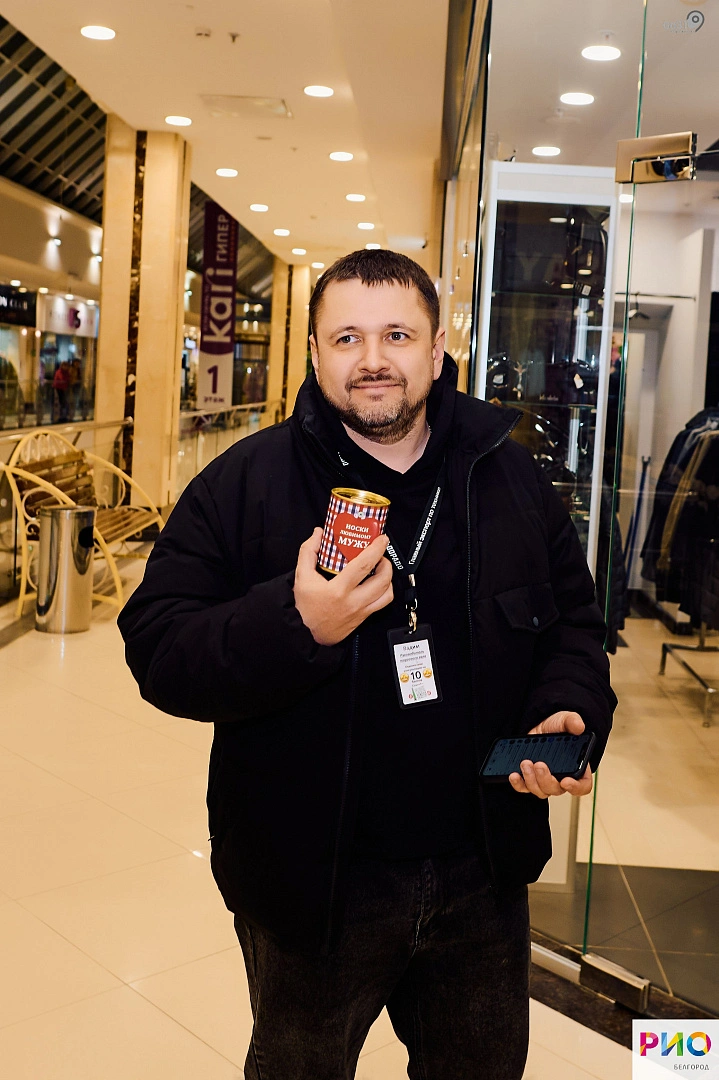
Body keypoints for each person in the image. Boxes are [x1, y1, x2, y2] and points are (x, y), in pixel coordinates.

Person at [119, 249, 615, 1080]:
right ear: (314, 353)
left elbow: (572, 624)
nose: (372, 359)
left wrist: (568, 704)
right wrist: (296, 622)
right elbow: (159, 648)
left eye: (397, 335)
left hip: (481, 869)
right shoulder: (244, 484)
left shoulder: (508, 478)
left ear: (437, 348)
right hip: (313, 880)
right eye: (346, 337)